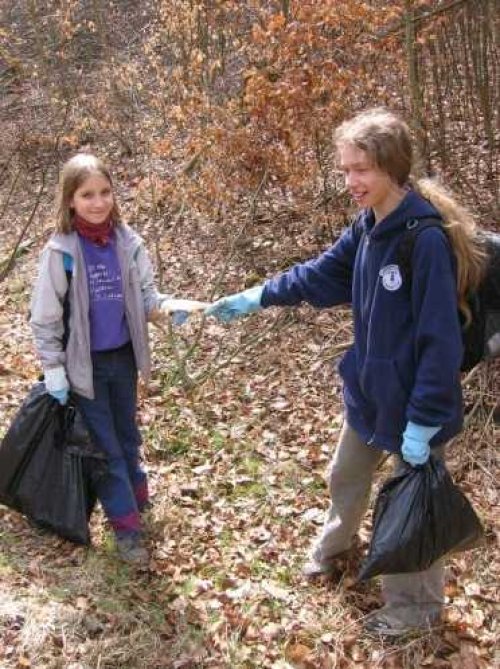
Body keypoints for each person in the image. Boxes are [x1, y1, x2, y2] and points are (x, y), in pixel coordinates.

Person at [205, 108, 485, 636]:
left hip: (415, 411)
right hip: (370, 393)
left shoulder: (423, 240)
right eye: (346, 170)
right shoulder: (368, 226)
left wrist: (424, 423)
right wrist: (258, 295)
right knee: (346, 476)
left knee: (411, 506)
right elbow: (320, 274)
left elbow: (439, 343)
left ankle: (414, 613)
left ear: (392, 169)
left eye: (362, 170)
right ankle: (337, 549)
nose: (352, 181)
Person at [30, 153, 204, 565]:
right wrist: (53, 368)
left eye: (105, 192)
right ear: (70, 200)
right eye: (87, 194)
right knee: (105, 448)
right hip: (82, 367)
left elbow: (146, 297)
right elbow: (45, 317)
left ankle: (138, 504)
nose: (98, 202)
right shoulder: (62, 252)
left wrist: (166, 309)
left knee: (127, 436)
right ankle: (127, 530)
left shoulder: (128, 242)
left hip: (122, 360)